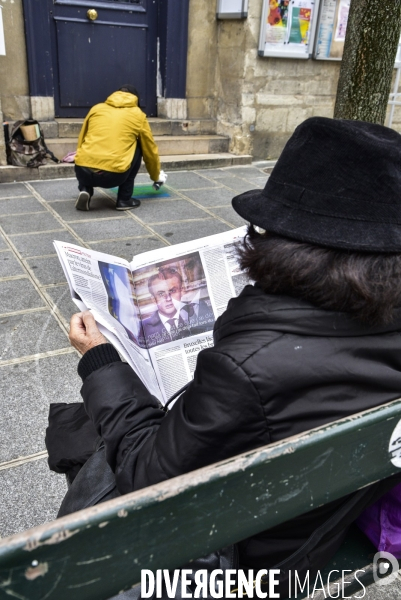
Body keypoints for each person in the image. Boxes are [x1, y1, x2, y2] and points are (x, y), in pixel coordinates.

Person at [60, 117, 401, 595]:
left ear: (292, 244)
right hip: (322, 525)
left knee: (86, 425)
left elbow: (146, 479)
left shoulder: (248, 368)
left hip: (248, 560)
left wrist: (99, 358)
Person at [74, 85, 167, 211]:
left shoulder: (96, 108)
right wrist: (156, 176)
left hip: (83, 171)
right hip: (114, 175)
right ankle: (124, 199)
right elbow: (149, 150)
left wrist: (79, 161)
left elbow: (82, 139)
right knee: (139, 146)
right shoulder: (138, 114)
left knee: (88, 149)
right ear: (135, 99)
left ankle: (85, 190)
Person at [142, 270, 190, 347]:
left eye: (172, 291)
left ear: (181, 292)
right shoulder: (143, 328)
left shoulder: (195, 313)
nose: (168, 298)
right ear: (154, 300)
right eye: (161, 294)